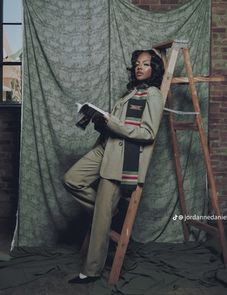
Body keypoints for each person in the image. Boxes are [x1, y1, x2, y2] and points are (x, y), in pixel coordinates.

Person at [64, 49, 165, 284]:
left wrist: (113, 122)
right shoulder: (130, 93)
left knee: (101, 214)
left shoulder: (154, 95)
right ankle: (108, 210)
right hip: (105, 146)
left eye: (146, 64)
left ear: (154, 70)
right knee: (71, 178)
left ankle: (91, 271)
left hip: (121, 157)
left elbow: (148, 133)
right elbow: (116, 125)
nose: (140, 67)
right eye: (137, 63)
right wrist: (100, 120)